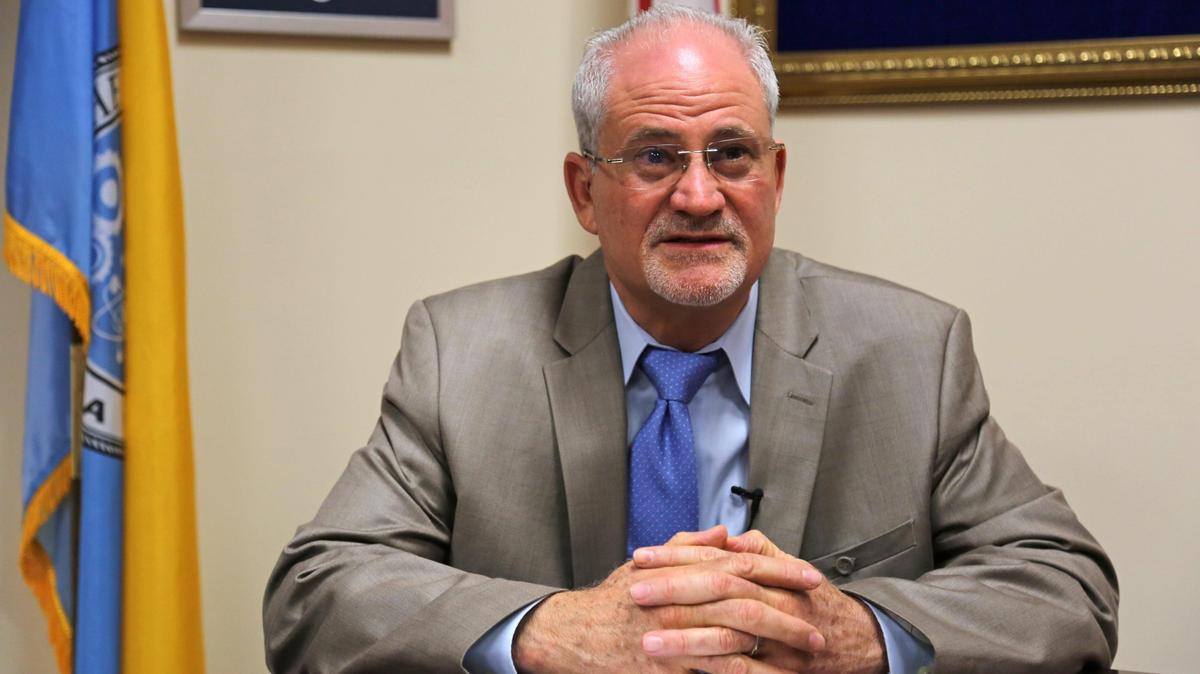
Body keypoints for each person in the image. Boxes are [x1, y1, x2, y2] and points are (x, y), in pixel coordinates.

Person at [263, 7, 1118, 673]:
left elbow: (1066, 589)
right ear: (584, 191)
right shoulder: (461, 352)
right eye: (655, 156)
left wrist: (856, 633)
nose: (700, 197)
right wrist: (548, 633)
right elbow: (315, 594)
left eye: (732, 153)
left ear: (775, 177)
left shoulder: (910, 351)